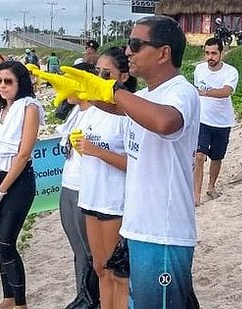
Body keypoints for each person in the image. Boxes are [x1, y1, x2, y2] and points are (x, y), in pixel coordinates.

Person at [53, 15, 200, 307]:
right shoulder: (146, 94)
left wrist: (113, 90)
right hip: (139, 227)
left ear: (164, 52)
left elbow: (164, 121)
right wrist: (82, 92)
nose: (128, 51)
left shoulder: (181, 91)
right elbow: (116, 107)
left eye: (135, 44)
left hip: (163, 233)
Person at [29, 62, 101, 308]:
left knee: (92, 250)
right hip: (69, 184)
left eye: (65, 80)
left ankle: (94, 296)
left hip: (87, 187)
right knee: (78, 247)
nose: (60, 86)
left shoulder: (97, 112)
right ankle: (83, 293)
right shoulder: (76, 111)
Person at [0, 61, 44, 309]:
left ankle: (21, 303)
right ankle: (8, 297)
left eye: (8, 81)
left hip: (16, 182)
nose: (2, 86)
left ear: (20, 83)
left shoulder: (29, 107)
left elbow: (23, 153)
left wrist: (1, 190)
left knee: (6, 242)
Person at [74, 47, 137, 309]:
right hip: (91, 196)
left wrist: (96, 151)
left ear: (122, 77)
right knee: (99, 268)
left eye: (106, 73)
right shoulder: (92, 110)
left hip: (114, 201)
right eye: (97, 71)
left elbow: (135, 165)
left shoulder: (128, 113)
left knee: (117, 273)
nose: (98, 77)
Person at [193, 37, 239, 206]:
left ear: (222, 53)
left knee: (217, 157)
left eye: (213, 53)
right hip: (202, 119)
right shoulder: (199, 69)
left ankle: (211, 187)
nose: (210, 57)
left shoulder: (230, 72)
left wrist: (205, 93)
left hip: (223, 121)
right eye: (207, 53)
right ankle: (195, 194)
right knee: (199, 156)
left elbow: (226, 91)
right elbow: (196, 91)